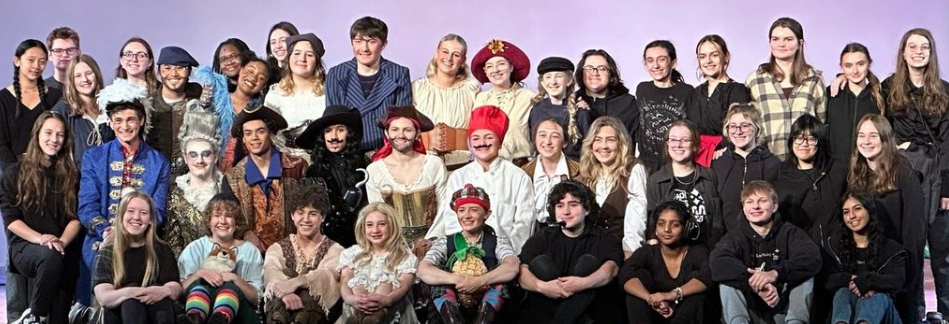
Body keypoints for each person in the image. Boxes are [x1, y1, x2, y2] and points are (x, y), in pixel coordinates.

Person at [77, 83, 171, 307]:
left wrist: (133, 235)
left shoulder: (159, 162)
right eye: (118, 120)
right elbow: (86, 207)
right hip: (101, 238)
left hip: (142, 241)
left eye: (130, 119)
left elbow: (157, 212)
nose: (124, 126)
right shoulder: (94, 157)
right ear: (110, 122)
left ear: (141, 121)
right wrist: (106, 230)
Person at [883, 28, 949, 319]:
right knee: (909, 246)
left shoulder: (945, 91)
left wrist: (947, 185)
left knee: (942, 250)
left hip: (938, 171)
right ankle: (913, 313)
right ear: (903, 52)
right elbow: (880, 130)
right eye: (913, 46)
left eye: (925, 46)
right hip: (905, 171)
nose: (919, 51)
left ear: (932, 53)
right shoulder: (888, 88)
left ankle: (945, 312)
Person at [1, 112, 81, 324]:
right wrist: (41, 239)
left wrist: (61, 241)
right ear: (37, 134)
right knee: (49, 256)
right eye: (48, 132)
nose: (54, 139)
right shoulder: (15, 172)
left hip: (62, 247)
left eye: (60, 135)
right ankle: (35, 315)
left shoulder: (71, 175)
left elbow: (75, 218)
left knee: (59, 317)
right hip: (27, 246)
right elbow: (11, 220)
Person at [848, 114, 926, 324]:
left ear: (885, 139)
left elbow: (915, 229)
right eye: (861, 135)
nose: (866, 141)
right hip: (870, 264)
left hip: (899, 265)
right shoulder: (857, 174)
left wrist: (908, 274)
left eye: (873, 135)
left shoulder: (903, 173)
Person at [426, 105, 535, 254]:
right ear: (470, 144)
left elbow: (524, 223)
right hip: (464, 254)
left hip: (508, 255)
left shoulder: (518, 177)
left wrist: (505, 253)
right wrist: (466, 251)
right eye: (476, 138)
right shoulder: (458, 176)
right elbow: (451, 220)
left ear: (500, 142)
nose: (482, 143)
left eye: (489, 137)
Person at [710, 180, 821, 324]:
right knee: (727, 281)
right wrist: (756, 281)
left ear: (774, 206)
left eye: (762, 201)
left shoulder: (790, 232)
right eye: (749, 202)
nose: (755, 206)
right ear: (744, 208)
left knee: (805, 276)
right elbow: (717, 262)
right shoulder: (734, 236)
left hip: (782, 308)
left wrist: (775, 274)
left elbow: (812, 258)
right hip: (751, 312)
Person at [517, 180, 625, 324]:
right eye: (560, 206)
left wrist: (584, 283)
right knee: (540, 264)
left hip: (594, 309)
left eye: (573, 205)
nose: (566, 211)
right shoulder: (543, 236)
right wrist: (543, 287)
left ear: (586, 209)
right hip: (544, 309)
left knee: (588, 263)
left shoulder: (603, 237)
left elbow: (611, 270)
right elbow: (522, 273)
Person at [417, 184, 520, 324]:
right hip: (452, 309)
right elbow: (424, 269)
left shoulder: (498, 242)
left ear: (486, 214)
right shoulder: (444, 242)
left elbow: (512, 266)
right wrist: (457, 279)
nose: (466, 215)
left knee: (503, 276)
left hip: (489, 313)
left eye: (474, 210)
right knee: (437, 276)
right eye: (461, 210)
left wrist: (479, 281)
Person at [222, 104, 307, 253]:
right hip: (250, 255)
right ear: (243, 139)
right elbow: (229, 214)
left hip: (294, 252)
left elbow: (310, 208)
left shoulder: (296, 167)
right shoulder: (232, 178)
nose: (254, 138)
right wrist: (245, 232)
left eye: (260, 131)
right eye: (248, 133)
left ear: (271, 134)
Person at [263, 178, 345, 324]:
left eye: (313, 213)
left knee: (310, 283)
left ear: (323, 217)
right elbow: (271, 271)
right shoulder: (277, 248)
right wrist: (284, 293)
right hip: (281, 309)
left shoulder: (335, 250)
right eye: (300, 213)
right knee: (285, 275)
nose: (306, 219)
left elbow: (328, 275)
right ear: (292, 216)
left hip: (321, 318)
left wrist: (298, 282)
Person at [91, 192, 181, 324]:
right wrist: (135, 292)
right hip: (118, 316)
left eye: (143, 213)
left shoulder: (161, 249)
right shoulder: (107, 252)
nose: (136, 217)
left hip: (154, 313)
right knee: (131, 304)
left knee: (163, 301)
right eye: (131, 211)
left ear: (150, 219)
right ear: (121, 216)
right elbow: (104, 297)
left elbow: (175, 287)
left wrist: (165, 290)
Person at [326, 16, 412, 151]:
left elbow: (402, 121)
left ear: (383, 44)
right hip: (348, 152)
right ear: (352, 43)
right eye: (358, 41)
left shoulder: (399, 74)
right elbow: (332, 122)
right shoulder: (336, 74)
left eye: (371, 42)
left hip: (386, 151)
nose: (364, 48)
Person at [366, 105, 447, 247]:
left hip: (434, 244)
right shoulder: (374, 170)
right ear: (386, 133)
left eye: (407, 130)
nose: (401, 135)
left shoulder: (434, 164)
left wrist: (432, 241)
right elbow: (378, 214)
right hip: (392, 246)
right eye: (395, 129)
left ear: (417, 134)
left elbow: (444, 208)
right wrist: (396, 247)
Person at [745, 17, 826, 161]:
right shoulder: (755, 80)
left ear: (799, 43)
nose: (781, 44)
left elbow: (822, 124)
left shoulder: (814, 79)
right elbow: (749, 125)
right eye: (775, 39)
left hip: (805, 165)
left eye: (788, 39)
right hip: (766, 163)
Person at [177, 193, 263, 324]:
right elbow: (179, 291)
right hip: (202, 313)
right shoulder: (195, 248)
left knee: (229, 287)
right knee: (199, 287)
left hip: (240, 316)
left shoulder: (250, 251)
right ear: (209, 221)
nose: (223, 221)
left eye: (228, 216)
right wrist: (199, 274)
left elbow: (257, 300)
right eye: (217, 215)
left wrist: (235, 279)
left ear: (236, 221)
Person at [621, 201, 711, 324]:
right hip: (655, 314)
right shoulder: (647, 252)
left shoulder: (698, 252)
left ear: (685, 228)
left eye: (675, 225)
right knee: (635, 295)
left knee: (697, 299)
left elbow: (707, 277)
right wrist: (651, 299)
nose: (667, 229)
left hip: (685, 314)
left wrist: (672, 295)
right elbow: (626, 275)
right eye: (661, 224)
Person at [823, 191, 906, 324]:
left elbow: (897, 281)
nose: (851, 216)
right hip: (844, 314)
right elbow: (826, 280)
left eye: (857, 209)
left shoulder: (891, 248)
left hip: (884, 316)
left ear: (869, 210)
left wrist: (868, 281)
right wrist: (851, 279)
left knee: (877, 296)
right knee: (842, 293)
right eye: (846, 212)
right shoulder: (833, 246)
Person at [295, 105, 369, 247]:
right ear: (322, 137)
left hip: (365, 240)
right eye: (328, 131)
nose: (334, 137)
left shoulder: (364, 165)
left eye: (340, 130)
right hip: (328, 245)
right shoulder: (314, 172)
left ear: (350, 134)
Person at [576, 116, 648, 258]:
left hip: (619, 249)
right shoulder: (584, 173)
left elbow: (637, 217)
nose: (603, 146)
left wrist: (629, 251)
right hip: (588, 248)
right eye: (598, 139)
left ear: (621, 143)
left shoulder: (633, 169)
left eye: (610, 140)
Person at [338, 202, 418, 323]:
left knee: (386, 283)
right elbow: (344, 281)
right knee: (357, 283)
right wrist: (350, 299)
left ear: (391, 226)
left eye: (381, 224)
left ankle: (376, 317)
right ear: (363, 228)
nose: (375, 230)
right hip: (355, 307)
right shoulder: (351, 254)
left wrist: (387, 300)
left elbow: (404, 285)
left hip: (390, 308)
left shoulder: (405, 256)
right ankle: (358, 316)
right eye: (369, 225)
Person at [647, 120, 722, 249]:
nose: (678, 145)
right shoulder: (656, 180)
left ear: (695, 145)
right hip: (671, 254)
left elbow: (718, 221)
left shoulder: (710, 176)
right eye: (673, 140)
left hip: (706, 251)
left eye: (685, 140)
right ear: (667, 144)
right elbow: (653, 224)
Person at [162, 106, 226, 256]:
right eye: (193, 155)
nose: (199, 161)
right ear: (185, 158)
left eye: (206, 154)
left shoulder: (228, 189)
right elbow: (173, 243)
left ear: (215, 157)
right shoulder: (174, 193)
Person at [774, 114, 847, 243]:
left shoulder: (837, 169)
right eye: (798, 138)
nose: (804, 144)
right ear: (791, 141)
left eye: (811, 139)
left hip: (836, 246)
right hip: (799, 248)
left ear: (820, 141)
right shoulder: (780, 174)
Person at [192, 55, 271, 171]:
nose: (254, 77)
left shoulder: (260, 111)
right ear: (241, 69)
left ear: (263, 86)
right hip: (212, 170)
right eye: (250, 71)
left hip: (247, 172)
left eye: (261, 78)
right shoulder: (216, 101)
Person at [412, 34, 480, 167]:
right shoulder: (417, 88)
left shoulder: (472, 89)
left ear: (463, 60)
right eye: (445, 52)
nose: (449, 58)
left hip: (461, 164)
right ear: (436, 54)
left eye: (456, 55)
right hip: (423, 164)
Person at [711, 104, 781, 233]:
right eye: (732, 126)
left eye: (745, 125)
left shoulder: (773, 164)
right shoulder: (717, 163)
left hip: (764, 237)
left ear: (757, 129)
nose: (738, 131)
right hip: (727, 238)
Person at [687, 35, 750, 167]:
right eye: (702, 56)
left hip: (726, 158)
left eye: (714, 55)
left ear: (726, 57)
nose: (708, 61)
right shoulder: (694, 93)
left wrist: (726, 149)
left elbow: (741, 127)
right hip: (696, 159)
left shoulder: (737, 90)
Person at [265, 33, 328, 164]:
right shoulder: (276, 94)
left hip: (325, 159)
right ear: (288, 58)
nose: (302, 59)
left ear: (317, 61)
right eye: (297, 53)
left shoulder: (329, 90)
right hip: (289, 161)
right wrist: (287, 158)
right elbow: (270, 133)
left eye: (309, 55)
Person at [1, 39, 63, 170]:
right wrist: (14, 172)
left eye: (42, 61)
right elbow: (1, 144)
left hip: (50, 170)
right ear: (17, 61)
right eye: (31, 60)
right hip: (13, 174)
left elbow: (62, 136)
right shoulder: (2, 99)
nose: (36, 66)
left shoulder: (55, 96)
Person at [471, 39, 536, 164]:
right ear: (485, 71)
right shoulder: (480, 99)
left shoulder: (529, 98)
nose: (495, 70)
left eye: (501, 64)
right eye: (489, 66)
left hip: (521, 167)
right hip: (488, 168)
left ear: (511, 67)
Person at [637, 40, 693, 173]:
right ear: (645, 65)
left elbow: (693, 126)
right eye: (650, 60)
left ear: (673, 62)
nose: (655, 65)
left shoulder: (686, 91)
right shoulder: (642, 89)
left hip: (676, 163)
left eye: (661, 59)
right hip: (646, 164)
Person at [51, 54, 114, 167]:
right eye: (78, 76)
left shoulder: (109, 107)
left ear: (97, 75)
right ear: (71, 80)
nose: (85, 79)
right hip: (77, 179)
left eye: (89, 73)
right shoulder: (62, 111)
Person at [826, 43, 884, 161]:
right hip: (834, 168)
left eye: (861, 64)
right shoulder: (830, 94)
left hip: (870, 168)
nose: (855, 71)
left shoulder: (881, 96)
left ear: (869, 64)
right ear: (841, 67)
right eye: (848, 66)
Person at [528, 56, 595, 158]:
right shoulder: (536, 110)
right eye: (548, 77)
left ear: (569, 81)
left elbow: (587, 149)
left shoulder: (580, 111)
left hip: (574, 168)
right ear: (542, 82)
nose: (553, 81)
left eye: (559, 76)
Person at [150, 46, 203, 172]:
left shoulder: (199, 101)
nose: (173, 74)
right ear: (159, 72)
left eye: (180, 68)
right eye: (167, 68)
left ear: (189, 72)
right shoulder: (149, 106)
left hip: (193, 175)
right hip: (157, 175)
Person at [521, 118, 580, 228]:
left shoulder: (580, 172)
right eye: (542, 135)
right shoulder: (523, 173)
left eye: (555, 136)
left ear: (565, 142)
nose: (547, 141)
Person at [574, 49, 639, 149]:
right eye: (589, 68)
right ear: (581, 73)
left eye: (602, 68)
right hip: (579, 163)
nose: (595, 73)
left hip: (620, 163)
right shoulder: (571, 102)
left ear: (611, 74)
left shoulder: (627, 103)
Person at [265, 21, 300, 86]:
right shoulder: (266, 74)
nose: (278, 46)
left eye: (283, 40)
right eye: (273, 42)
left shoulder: (304, 71)